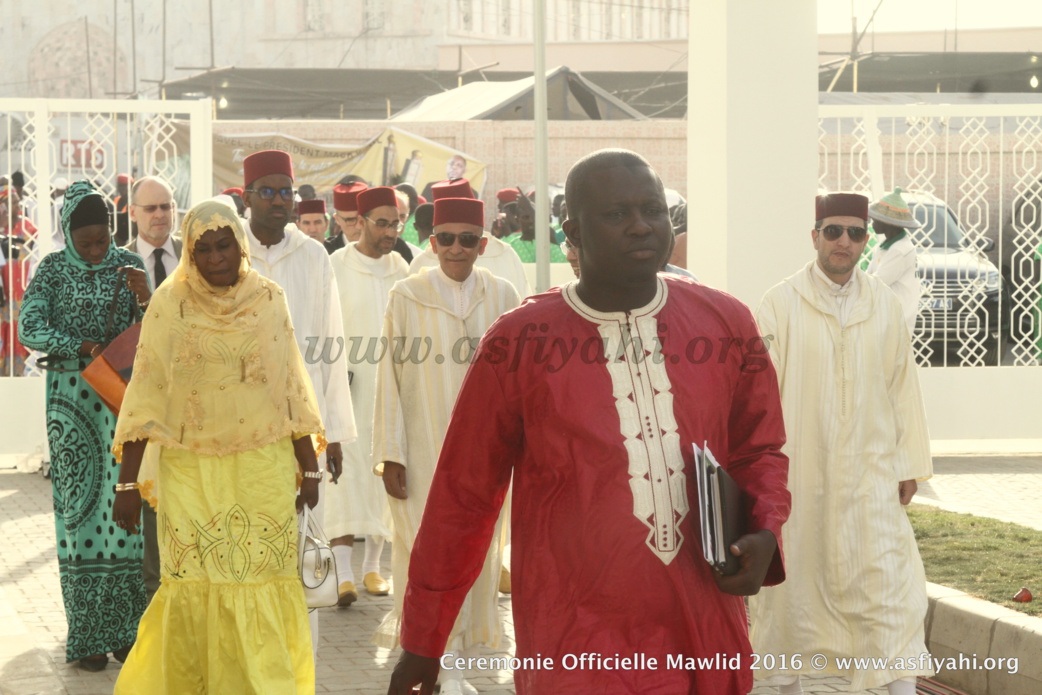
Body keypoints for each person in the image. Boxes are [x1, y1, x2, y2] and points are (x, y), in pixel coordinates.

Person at [387, 149, 790, 694]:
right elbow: (464, 495)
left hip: (702, 618)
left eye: (652, 209)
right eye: (617, 214)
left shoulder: (725, 320)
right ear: (571, 232)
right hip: (574, 630)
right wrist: (423, 641)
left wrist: (765, 529)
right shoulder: (519, 341)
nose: (642, 225)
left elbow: (758, 448)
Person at [110, 198, 325, 694]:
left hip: (260, 467)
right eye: (201, 249)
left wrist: (309, 469)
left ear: (239, 243)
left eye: (223, 245)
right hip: (190, 471)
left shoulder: (269, 299)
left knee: (260, 583)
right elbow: (145, 395)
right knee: (191, 585)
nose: (214, 259)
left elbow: (291, 384)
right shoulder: (169, 303)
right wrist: (127, 482)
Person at [749, 193, 934, 695]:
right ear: (815, 236)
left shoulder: (884, 303)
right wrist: (758, 474)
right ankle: (788, 685)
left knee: (890, 586)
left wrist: (910, 463)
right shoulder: (779, 303)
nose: (844, 242)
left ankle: (900, 687)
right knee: (792, 592)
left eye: (855, 233)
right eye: (833, 231)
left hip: (871, 472)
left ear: (865, 241)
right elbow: (760, 397)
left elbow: (902, 385)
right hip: (799, 475)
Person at [373, 197, 520, 693]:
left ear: (484, 243)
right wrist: (389, 452)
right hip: (421, 446)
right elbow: (388, 377)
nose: (458, 248)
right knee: (423, 550)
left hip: (485, 451)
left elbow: (520, 379)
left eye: (469, 239)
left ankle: (457, 664)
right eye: (447, 239)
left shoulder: (503, 295)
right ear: (432, 243)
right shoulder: (407, 295)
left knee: (476, 551)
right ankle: (434, 659)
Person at [18, 180, 149, 671]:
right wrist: (80, 346)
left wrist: (147, 297)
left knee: (127, 520)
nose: (96, 250)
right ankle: (89, 636)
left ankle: (128, 634)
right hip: (71, 407)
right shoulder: (51, 270)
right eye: (86, 242)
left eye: (102, 240)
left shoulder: (130, 266)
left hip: (122, 408)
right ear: (68, 234)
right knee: (79, 520)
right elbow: (28, 326)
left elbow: (156, 332)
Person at [241, 150, 356, 656]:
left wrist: (332, 434)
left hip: (303, 432)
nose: (279, 200)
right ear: (247, 197)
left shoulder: (313, 255)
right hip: (239, 429)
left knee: (304, 547)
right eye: (267, 191)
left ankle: (298, 668)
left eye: (286, 191)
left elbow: (332, 346)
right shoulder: (227, 248)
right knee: (247, 546)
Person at [328, 186, 408, 605]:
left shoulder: (402, 268)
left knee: (382, 475)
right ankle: (342, 575)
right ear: (360, 223)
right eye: (383, 223)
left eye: (396, 222)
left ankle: (374, 569)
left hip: (392, 391)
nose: (391, 231)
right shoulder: (335, 265)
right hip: (347, 389)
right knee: (345, 478)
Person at [123, 175, 181, 605]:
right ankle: (149, 607)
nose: (160, 215)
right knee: (146, 504)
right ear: (133, 213)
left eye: (166, 206)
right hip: (137, 403)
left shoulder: (197, 255)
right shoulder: (116, 263)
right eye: (151, 208)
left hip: (191, 404)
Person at [409, 180, 531, 296]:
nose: (456, 250)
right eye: (446, 238)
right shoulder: (506, 254)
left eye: (466, 239)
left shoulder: (421, 261)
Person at [867, 187, 923, 333]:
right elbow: (869, 276)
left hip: (896, 322)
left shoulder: (900, 250)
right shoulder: (883, 247)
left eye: (876, 220)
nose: (872, 224)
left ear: (888, 222)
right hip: (885, 319)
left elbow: (876, 283)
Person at [1, 184, 37, 375]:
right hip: (3, 296)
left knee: (20, 339)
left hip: (21, 295)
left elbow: (40, 248)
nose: (17, 206)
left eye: (17, 202)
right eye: (11, 203)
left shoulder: (27, 226)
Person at [503, 189, 568, 263]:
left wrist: (528, 206)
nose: (531, 221)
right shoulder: (511, 247)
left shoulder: (552, 245)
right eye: (526, 217)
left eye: (533, 217)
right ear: (517, 220)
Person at [326, 181, 367, 254]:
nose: (358, 226)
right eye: (350, 220)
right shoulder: (326, 252)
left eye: (363, 219)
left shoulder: (387, 247)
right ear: (337, 220)